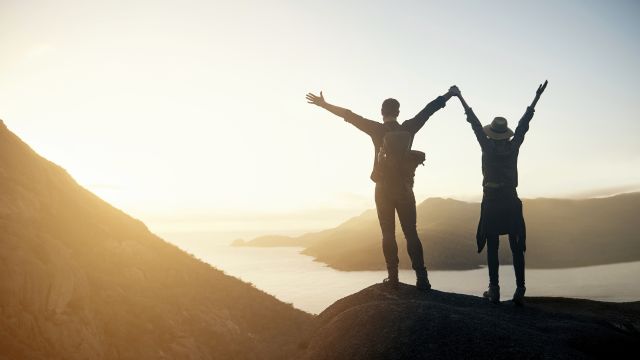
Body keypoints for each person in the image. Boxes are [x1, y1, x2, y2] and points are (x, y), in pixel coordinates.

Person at [305, 87, 459, 290]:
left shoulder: (376, 129)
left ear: (382, 112)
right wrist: (449, 94)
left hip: (383, 189)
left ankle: (393, 278)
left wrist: (324, 105)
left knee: (388, 233)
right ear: (398, 112)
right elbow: (428, 110)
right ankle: (422, 278)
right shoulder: (409, 128)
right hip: (405, 189)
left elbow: (349, 116)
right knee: (411, 233)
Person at [450, 81, 548, 305]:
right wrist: (535, 99)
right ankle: (520, 289)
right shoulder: (513, 147)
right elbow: (524, 125)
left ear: (492, 133)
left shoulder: (487, 146)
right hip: (511, 201)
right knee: (515, 246)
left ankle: (494, 289)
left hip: (492, 201)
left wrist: (460, 97)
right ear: (506, 134)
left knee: (493, 245)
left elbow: (474, 123)